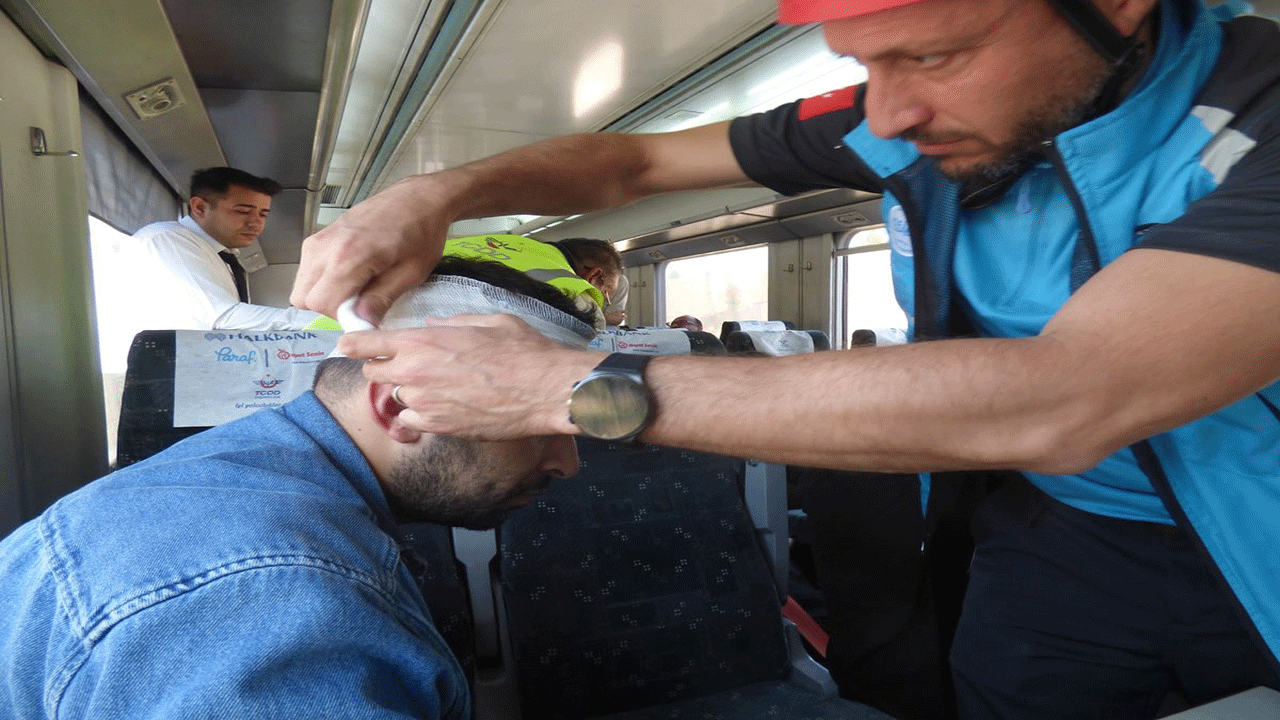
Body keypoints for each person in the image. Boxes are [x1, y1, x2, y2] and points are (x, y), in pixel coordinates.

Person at [290, 1, 1280, 718]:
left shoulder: (1260, 122)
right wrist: (438, 194)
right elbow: (631, 163)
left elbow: (1068, 399)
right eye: (861, 62)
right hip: (1059, 542)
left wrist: (566, 390)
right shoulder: (893, 124)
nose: (881, 115)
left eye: (930, 55)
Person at [0, 258, 595, 719]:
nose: (569, 464)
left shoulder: (243, 469)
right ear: (403, 407)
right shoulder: (271, 598)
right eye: (536, 425)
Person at [127, 166, 321, 332]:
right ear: (200, 207)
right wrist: (330, 324)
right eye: (243, 211)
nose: (256, 223)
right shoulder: (168, 238)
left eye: (263, 214)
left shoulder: (221, 255)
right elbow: (223, 316)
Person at [445, 234, 620, 329]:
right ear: (593, 276)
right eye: (606, 294)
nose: (603, 301)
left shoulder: (508, 240)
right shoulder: (574, 291)